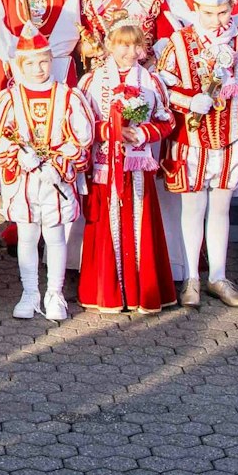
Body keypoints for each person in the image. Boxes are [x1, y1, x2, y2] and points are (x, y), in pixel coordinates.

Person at [155, 0, 238, 308]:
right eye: (209, 13)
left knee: (221, 208)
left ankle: (218, 276)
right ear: (196, 10)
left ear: (232, 9)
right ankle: (191, 276)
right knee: (193, 208)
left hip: (231, 138)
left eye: (222, 12)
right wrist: (188, 101)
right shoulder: (178, 43)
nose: (217, 20)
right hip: (190, 140)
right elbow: (163, 90)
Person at [0, 27, 96, 322]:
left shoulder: (68, 96)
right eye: (31, 63)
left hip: (55, 180)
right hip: (24, 181)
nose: (38, 69)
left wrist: (59, 161)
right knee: (27, 235)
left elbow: (83, 137)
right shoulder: (10, 98)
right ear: (20, 65)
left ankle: (54, 293)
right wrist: (21, 155)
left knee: (55, 236)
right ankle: (30, 291)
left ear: (52, 61)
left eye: (43, 62)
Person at [77, 21, 177, 313]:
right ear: (110, 45)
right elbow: (79, 122)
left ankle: (140, 291)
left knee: (140, 223)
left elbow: (166, 120)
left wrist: (144, 133)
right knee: (105, 224)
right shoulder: (91, 81)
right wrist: (108, 131)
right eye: (123, 44)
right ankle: (107, 292)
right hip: (105, 165)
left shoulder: (151, 81)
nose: (130, 51)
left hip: (137, 166)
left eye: (136, 45)